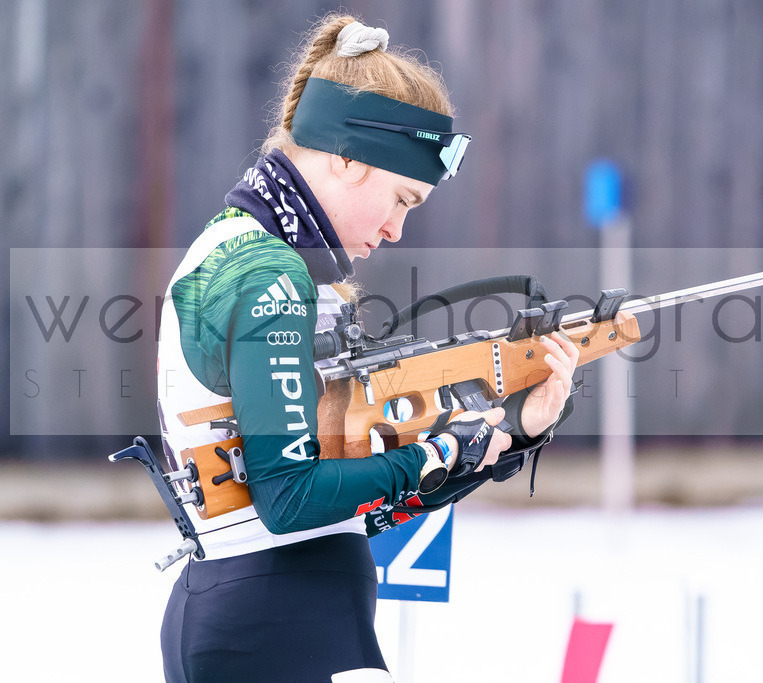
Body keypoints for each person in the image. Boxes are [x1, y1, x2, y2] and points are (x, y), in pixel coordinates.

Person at [156, 13, 579, 683]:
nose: (396, 229)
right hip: (283, 628)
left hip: (273, 617)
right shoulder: (270, 273)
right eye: (402, 198)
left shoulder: (243, 245)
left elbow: (344, 502)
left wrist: (508, 432)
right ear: (347, 156)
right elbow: (290, 498)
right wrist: (437, 450)